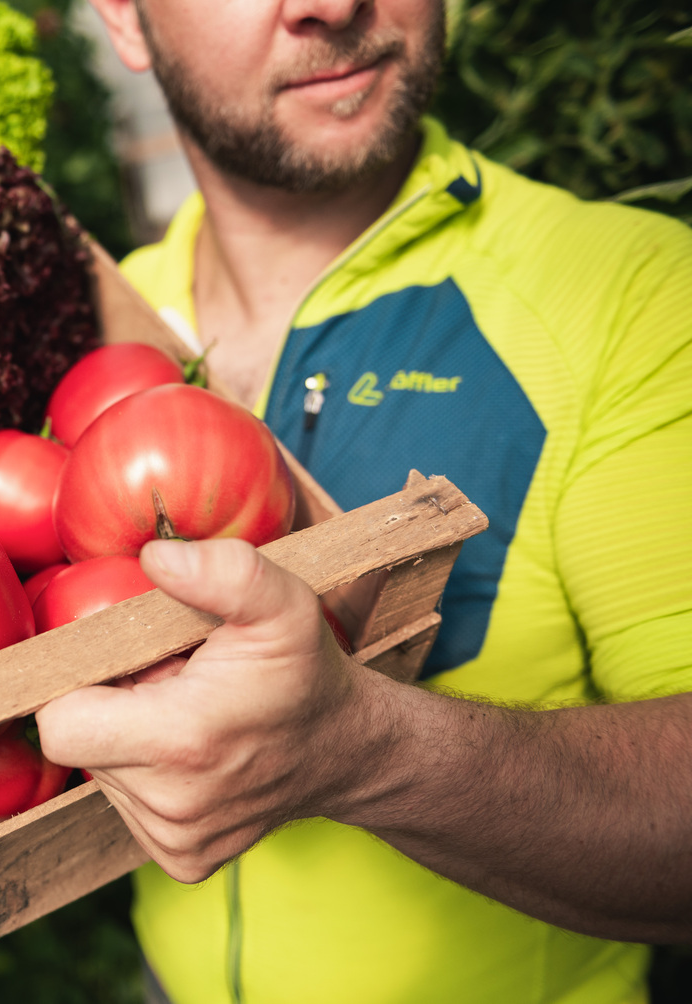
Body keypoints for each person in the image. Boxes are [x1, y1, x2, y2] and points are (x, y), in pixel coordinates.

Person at [35, 1, 692, 1001]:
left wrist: (365, 749)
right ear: (123, 18)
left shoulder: (636, 298)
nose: (330, 3)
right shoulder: (101, 330)